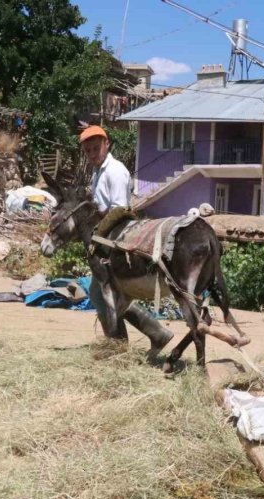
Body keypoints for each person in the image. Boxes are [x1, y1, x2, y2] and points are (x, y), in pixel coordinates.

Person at [79, 125, 173, 358]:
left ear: (106, 143)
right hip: (104, 239)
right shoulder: (98, 172)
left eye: (95, 148)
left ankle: (121, 343)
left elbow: (120, 210)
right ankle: (150, 334)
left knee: (105, 294)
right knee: (102, 293)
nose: (92, 153)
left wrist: (97, 233)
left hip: (116, 241)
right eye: (88, 150)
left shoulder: (115, 171)